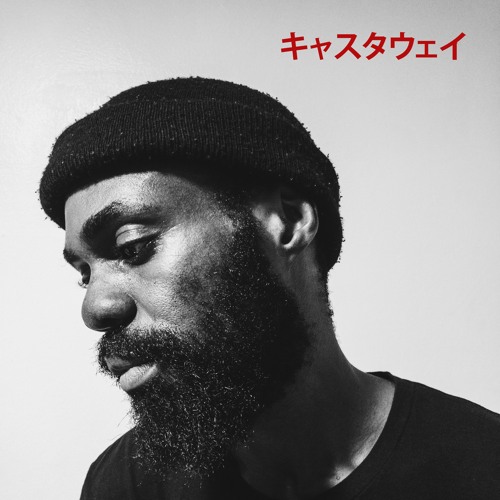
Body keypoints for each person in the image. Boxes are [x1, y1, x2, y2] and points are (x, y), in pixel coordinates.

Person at [39, 78, 500, 500]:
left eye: (134, 246)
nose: (94, 307)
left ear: (289, 221)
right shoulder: (123, 484)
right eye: (84, 272)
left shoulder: (481, 466)